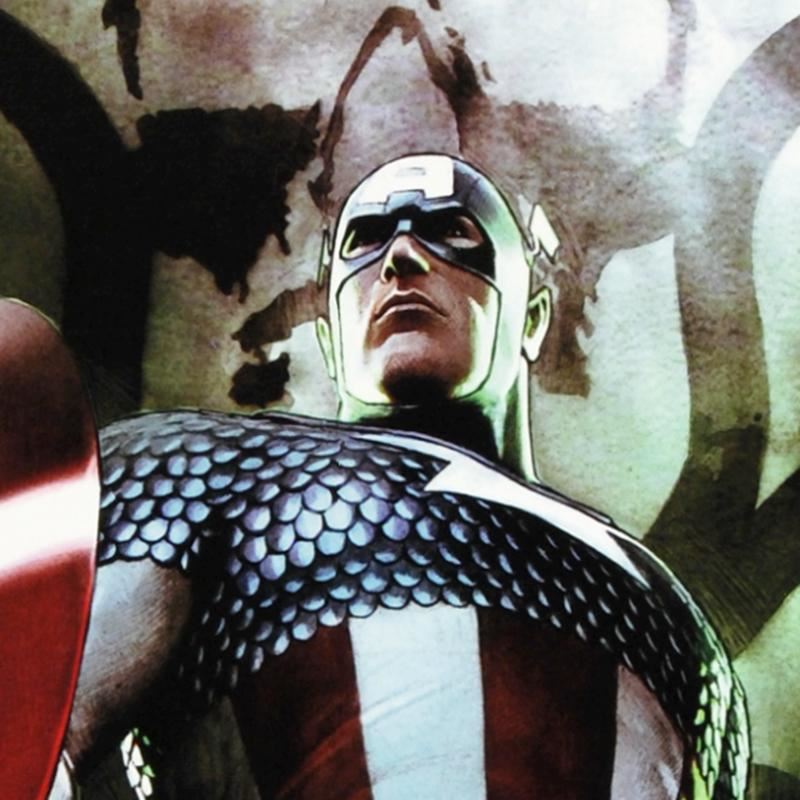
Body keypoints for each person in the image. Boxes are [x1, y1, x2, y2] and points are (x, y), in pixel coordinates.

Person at [49, 154, 747, 799]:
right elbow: (39, 736)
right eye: (367, 240)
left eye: (452, 231)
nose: (402, 258)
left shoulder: (664, 605)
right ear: (330, 337)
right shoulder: (201, 469)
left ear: (534, 317)